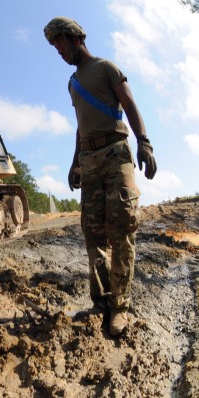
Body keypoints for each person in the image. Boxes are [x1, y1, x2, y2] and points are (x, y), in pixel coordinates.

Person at [43, 17, 157, 336]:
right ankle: (101, 301)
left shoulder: (106, 67)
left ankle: (120, 307)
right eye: (54, 46)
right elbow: (81, 125)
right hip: (88, 159)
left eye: (61, 42)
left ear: (76, 37)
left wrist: (144, 142)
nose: (59, 50)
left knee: (121, 227)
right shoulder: (72, 83)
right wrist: (74, 163)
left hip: (115, 152)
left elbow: (129, 103)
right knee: (93, 234)